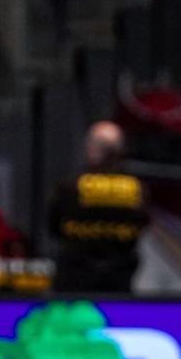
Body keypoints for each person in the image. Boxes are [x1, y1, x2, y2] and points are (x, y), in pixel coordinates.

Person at [48, 120, 149, 293]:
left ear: (92, 149)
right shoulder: (137, 188)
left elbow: (53, 227)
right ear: (120, 151)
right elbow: (143, 225)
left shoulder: (71, 186)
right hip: (118, 281)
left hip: (75, 282)